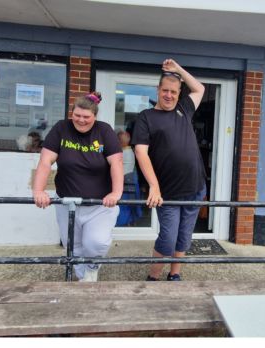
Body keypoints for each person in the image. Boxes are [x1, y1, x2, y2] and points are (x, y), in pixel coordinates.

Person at [32, 92, 124, 282]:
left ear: (95, 116)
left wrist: (116, 192)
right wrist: (38, 190)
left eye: (86, 117)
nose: (81, 120)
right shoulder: (61, 128)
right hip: (68, 202)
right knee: (73, 245)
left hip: (100, 204)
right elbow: (45, 161)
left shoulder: (104, 131)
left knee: (96, 243)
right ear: (72, 112)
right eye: (77, 115)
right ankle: (85, 281)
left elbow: (116, 163)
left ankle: (91, 267)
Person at [131, 59, 207, 281]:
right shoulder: (146, 117)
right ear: (158, 90)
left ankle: (175, 274)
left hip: (194, 188)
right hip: (167, 193)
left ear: (179, 92)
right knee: (167, 238)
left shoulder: (184, 108)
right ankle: (154, 277)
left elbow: (199, 88)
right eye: (165, 90)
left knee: (184, 237)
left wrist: (178, 70)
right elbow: (140, 152)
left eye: (174, 92)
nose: (169, 95)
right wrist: (154, 186)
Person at [116, 130, 142, 226]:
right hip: (132, 180)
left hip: (125, 181)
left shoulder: (122, 153)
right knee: (131, 204)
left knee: (124, 205)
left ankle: (123, 223)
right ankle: (131, 221)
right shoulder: (132, 151)